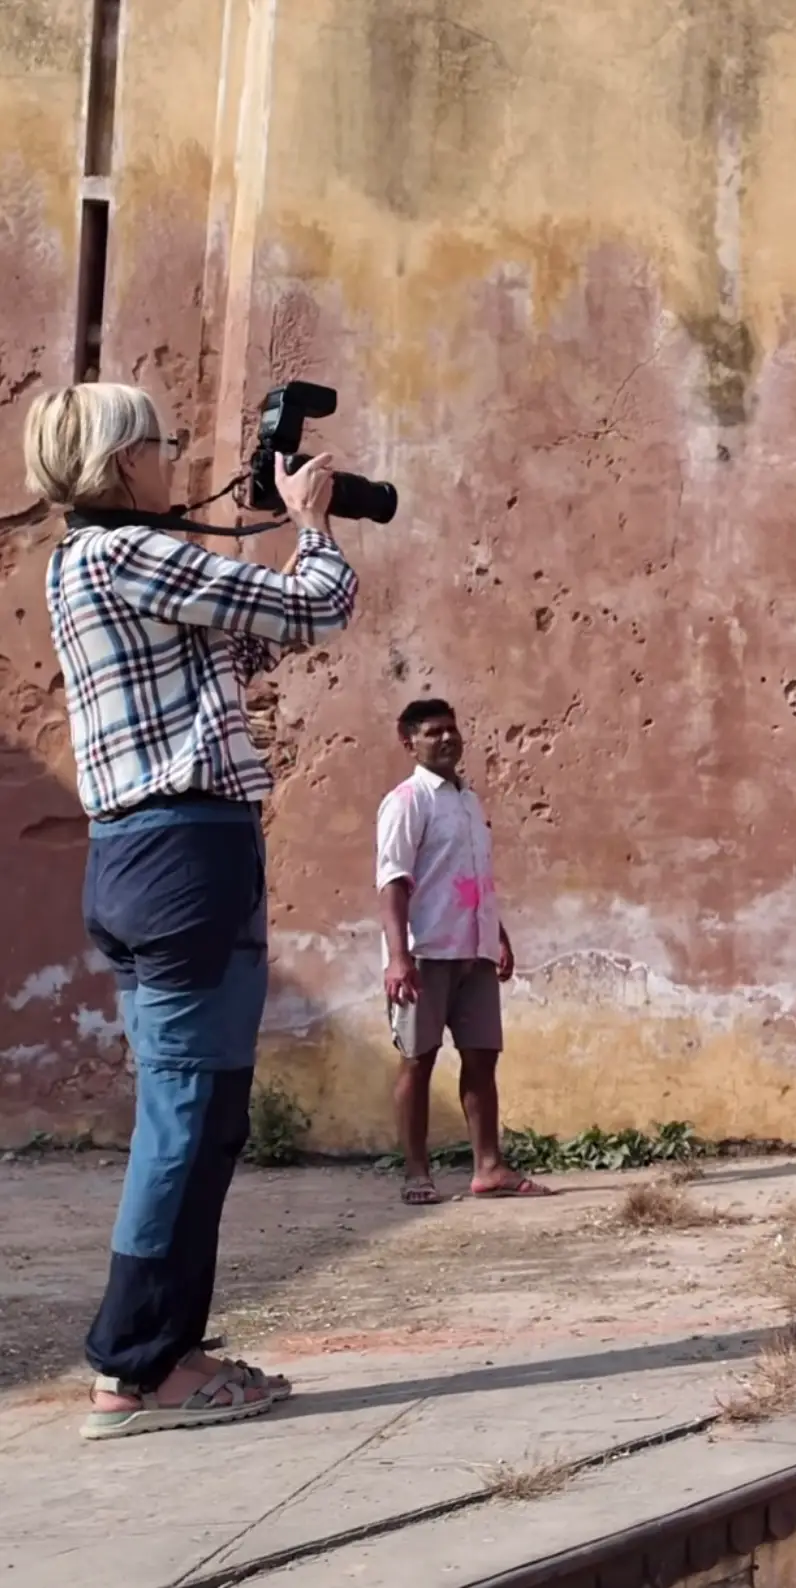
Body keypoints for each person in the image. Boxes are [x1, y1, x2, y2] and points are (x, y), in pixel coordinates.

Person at [26, 382, 358, 1438]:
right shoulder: (130, 552)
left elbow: (233, 643)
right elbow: (317, 607)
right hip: (183, 855)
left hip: (143, 857)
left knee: (201, 1115)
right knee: (187, 1116)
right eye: (160, 444)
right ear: (124, 461)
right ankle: (132, 1369)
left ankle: (170, 1348)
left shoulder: (85, 561)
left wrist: (266, 572)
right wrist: (312, 525)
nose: (172, 459)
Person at [376, 698, 551, 1205]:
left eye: (451, 729)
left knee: (481, 1058)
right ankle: (416, 1173)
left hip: (473, 952)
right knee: (418, 1061)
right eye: (433, 732)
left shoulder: (469, 801)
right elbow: (392, 881)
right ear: (409, 742)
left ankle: (489, 1167)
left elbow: (474, 877)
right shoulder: (407, 801)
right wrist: (398, 957)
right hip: (424, 954)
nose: (447, 738)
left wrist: (498, 934)